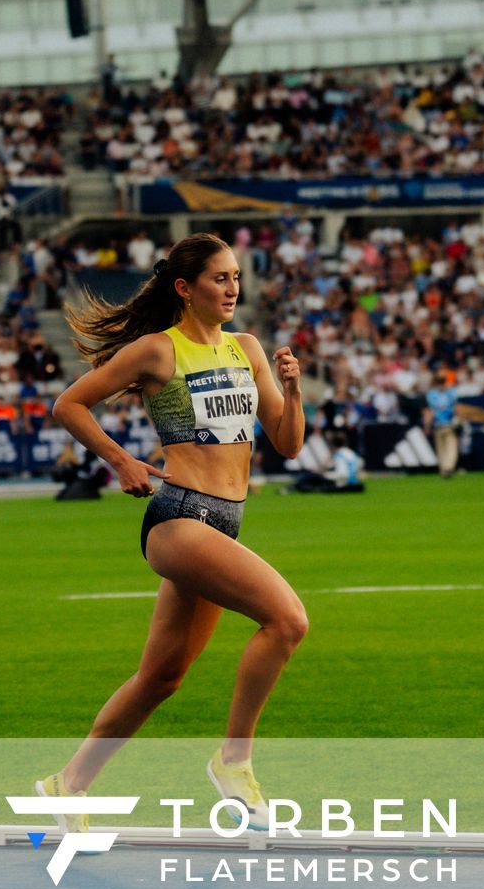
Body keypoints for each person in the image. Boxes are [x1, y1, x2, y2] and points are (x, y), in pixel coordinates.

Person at [37, 231, 306, 837]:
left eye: (236, 276)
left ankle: (67, 784)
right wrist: (122, 461)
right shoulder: (158, 351)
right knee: (287, 620)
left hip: (225, 523)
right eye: (220, 278)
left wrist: (292, 388)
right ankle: (233, 760)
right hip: (180, 516)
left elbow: (287, 443)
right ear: (185, 288)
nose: (233, 287)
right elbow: (70, 405)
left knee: (162, 677)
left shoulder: (248, 349)